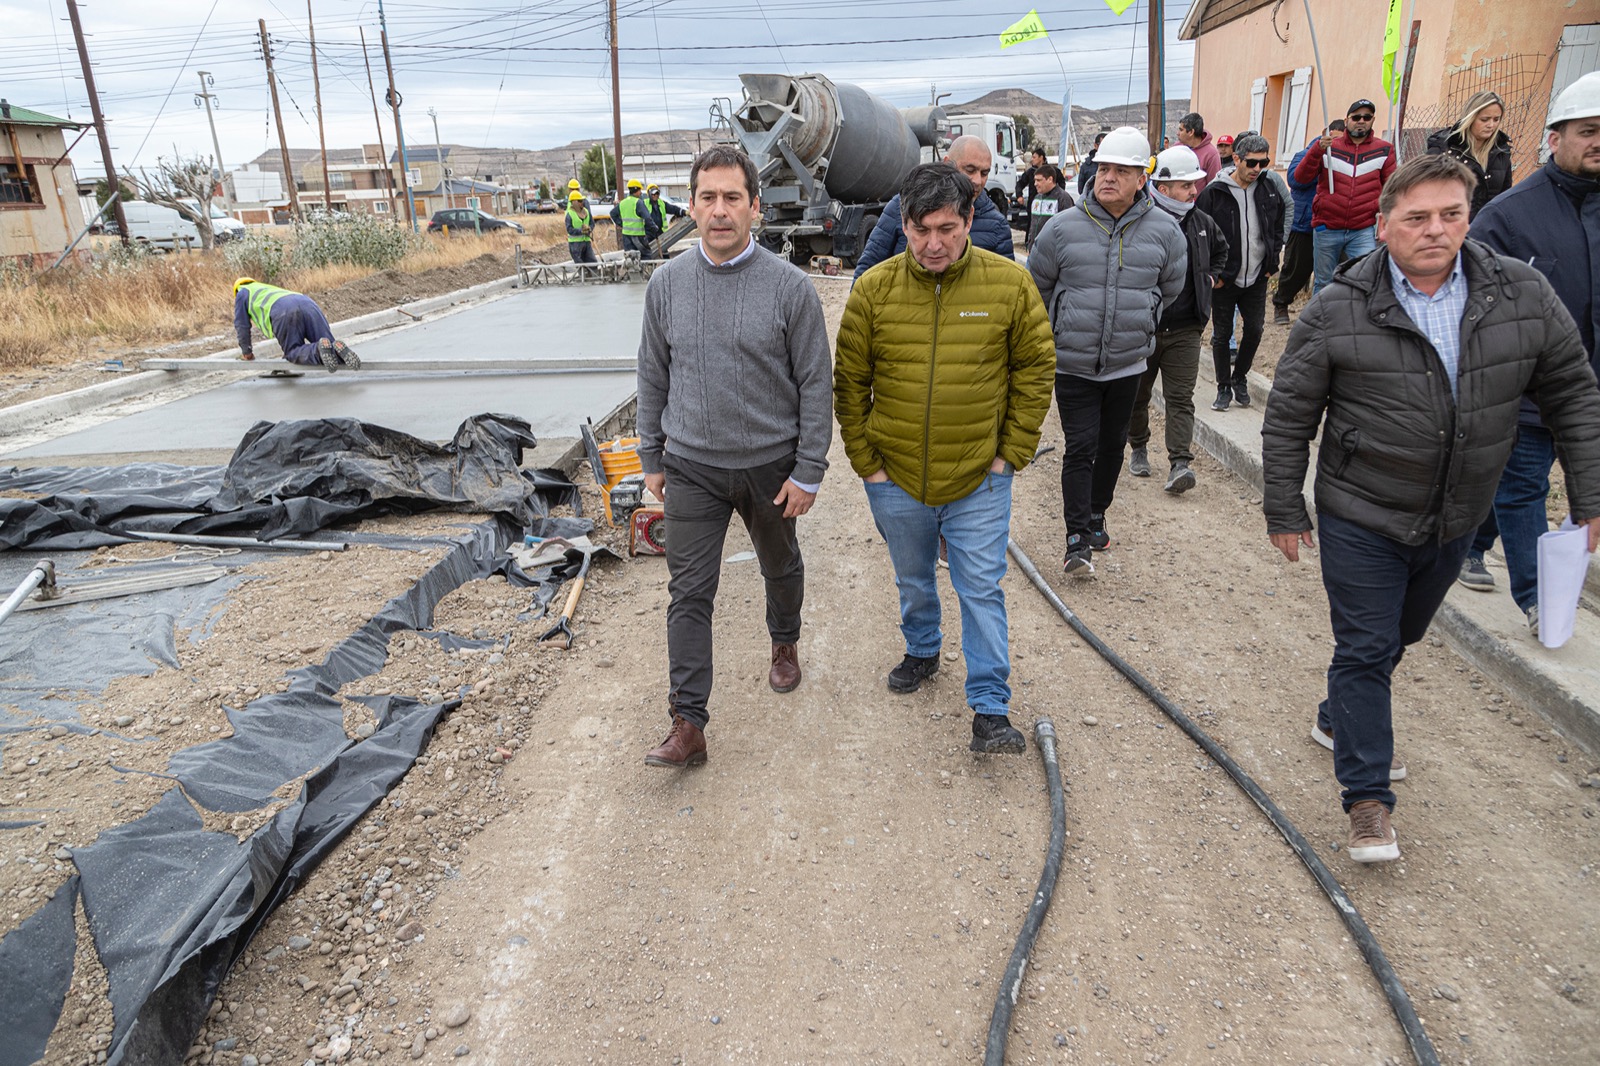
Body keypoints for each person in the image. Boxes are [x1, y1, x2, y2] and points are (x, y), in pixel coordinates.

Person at [1261, 153, 1600, 863]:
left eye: (1450, 214)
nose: (1435, 230)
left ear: (1469, 218)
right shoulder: (1338, 308)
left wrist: (1590, 496)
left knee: (1397, 638)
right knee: (1364, 645)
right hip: (1362, 512)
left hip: (1457, 513)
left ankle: (1338, 718)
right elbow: (1291, 413)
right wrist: (1284, 506)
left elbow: (1572, 392)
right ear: (1383, 227)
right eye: (1417, 218)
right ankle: (1367, 799)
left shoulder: (1522, 294)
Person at [835, 164, 1055, 754]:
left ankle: (990, 709)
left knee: (981, 587)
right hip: (896, 477)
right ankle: (922, 648)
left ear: (969, 221)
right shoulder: (873, 291)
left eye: (949, 229)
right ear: (902, 224)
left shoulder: (1009, 285)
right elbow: (849, 384)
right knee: (912, 576)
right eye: (921, 229)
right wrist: (869, 466)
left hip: (980, 478)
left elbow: (1035, 370)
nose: (935, 244)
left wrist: (1010, 455)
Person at [636, 146, 834, 769]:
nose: (719, 211)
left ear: (754, 206)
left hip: (770, 466)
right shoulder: (666, 285)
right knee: (689, 592)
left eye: (732, 198)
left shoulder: (790, 288)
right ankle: (688, 722)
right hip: (692, 464)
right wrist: (651, 457)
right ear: (691, 206)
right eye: (707, 198)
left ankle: (783, 642)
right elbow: (652, 376)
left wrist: (809, 468)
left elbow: (814, 384)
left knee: (779, 563)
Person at [1461, 72, 1600, 626]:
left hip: (1592, 388)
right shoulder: (1509, 216)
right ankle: (1539, 599)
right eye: (1588, 131)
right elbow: (1472, 303)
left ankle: (1470, 543)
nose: (1598, 143)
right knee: (1525, 483)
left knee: (1514, 485)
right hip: (1527, 388)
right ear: (1554, 137)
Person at [1028, 126, 1188, 574]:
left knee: (1113, 445)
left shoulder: (1166, 233)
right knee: (1080, 446)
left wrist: (1143, 319)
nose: (1109, 178)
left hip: (1127, 363)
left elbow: (1169, 288)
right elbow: (1036, 286)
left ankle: (1097, 514)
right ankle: (1076, 538)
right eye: (1104, 169)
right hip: (1073, 363)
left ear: (1142, 179)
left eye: (1122, 170)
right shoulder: (1062, 229)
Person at [1128, 146, 1228, 493]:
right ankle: (1138, 447)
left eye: (1195, 185)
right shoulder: (1139, 220)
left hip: (1186, 328)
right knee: (1137, 397)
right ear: (1165, 187)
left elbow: (1221, 250)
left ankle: (1180, 463)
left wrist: (1211, 277)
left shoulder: (1202, 222)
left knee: (1181, 398)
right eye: (1187, 186)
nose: (1194, 192)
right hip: (1145, 328)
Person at [1197, 133, 1285, 411]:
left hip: (1257, 276)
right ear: (1236, 159)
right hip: (1225, 279)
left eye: (1263, 163)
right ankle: (1223, 387)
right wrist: (1214, 273)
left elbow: (1278, 223)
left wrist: (1272, 264)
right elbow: (1201, 234)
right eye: (1251, 163)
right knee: (1222, 335)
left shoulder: (1268, 188)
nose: (1257, 169)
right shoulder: (1214, 192)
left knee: (1256, 330)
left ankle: (1240, 378)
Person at [852, 135, 1014, 279]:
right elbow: (867, 271)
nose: (977, 180)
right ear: (947, 163)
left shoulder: (996, 225)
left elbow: (1006, 287)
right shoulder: (903, 205)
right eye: (970, 170)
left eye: (984, 173)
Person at [1294, 99, 1396, 294]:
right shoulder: (1328, 146)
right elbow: (1300, 178)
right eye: (1356, 117)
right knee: (1323, 282)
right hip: (1327, 227)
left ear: (1373, 120)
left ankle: (1357, 322)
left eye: (1366, 117)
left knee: (1366, 278)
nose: (1361, 121)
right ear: (1346, 120)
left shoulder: (1384, 150)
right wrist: (1317, 150)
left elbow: (1392, 187)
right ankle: (1320, 324)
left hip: (1362, 229)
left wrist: (1387, 216)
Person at [1273, 123, 1339, 325]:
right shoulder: (1304, 154)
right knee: (1295, 269)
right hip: (1304, 223)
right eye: (1333, 138)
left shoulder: (1345, 159)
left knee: (1328, 272)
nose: (1335, 144)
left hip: (1330, 224)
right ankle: (1281, 303)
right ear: (1324, 136)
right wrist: (1317, 158)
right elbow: (1295, 180)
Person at [231, 278, 358, 372]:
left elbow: (242, 326)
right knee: (329, 347)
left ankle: (318, 350)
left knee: (293, 351)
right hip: (308, 303)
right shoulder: (265, 287)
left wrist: (247, 353)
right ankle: (339, 351)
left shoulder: (241, 293)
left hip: (283, 310)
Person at [1425, 91, 1514, 221]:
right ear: (1471, 118)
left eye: (1496, 119)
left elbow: (1504, 196)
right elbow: (1426, 192)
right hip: (1448, 227)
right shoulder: (1445, 147)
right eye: (1484, 119)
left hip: (1486, 230)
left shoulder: (1501, 151)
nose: (1491, 125)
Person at [1025, 164, 1073, 251]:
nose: (1035, 184)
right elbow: (1033, 225)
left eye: (1039, 180)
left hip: (1052, 253)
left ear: (1050, 179)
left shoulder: (1063, 198)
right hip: (1034, 251)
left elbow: (1068, 229)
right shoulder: (1037, 198)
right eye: (1035, 180)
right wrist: (1030, 245)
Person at [1176, 112, 1222, 191]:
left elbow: (1214, 185)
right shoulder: (1176, 148)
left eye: (1181, 130)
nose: (1177, 133)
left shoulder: (1211, 154)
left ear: (1191, 132)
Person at [641, 183, 686, 256]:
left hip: (659, 232)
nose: (655, 195)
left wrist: (684, 212)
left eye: (657, 193)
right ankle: (650, 266)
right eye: (653, 193)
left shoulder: (662, 204)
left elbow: (673, 209)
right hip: (648, 233)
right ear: (649, 193)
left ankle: (665, 265)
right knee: (649, 254)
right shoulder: (644, 204)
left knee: (664, 252)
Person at [611, 178, 649, 256]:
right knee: (645, 256)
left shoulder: (623, 203)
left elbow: (613, 214)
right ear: (637, 190)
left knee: (630, 258)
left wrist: (622, 224)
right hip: (638, 236)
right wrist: (654, 228)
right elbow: (647, 218)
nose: (640, 193)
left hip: (626, 236)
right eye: (640, 190)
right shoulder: (638, 202)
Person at [564, 191, 598, 267]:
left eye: (582, 200)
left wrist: (590, 229)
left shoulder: (586, 212)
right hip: (575, 244)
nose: (582, 202)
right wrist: (581, 231)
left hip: (586, 242)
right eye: (579, 201)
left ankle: (594, 278)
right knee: (581, 267)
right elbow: (569, 229)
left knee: (593, 263)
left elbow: (592, 223)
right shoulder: (570, 214)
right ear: (574, 202)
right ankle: (584, 278)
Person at [1017, 146, 1048, 215]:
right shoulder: (1030, 172)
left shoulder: (1051, 171)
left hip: (1048, 205)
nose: (1032, 159)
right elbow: (1020, 183)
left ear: (1041, 157)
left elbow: (1061, 183)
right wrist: (1019, 195)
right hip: (1033, 205)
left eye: (1034, 157)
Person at [1076, 132, 1107, 196]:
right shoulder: (1086, 166)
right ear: (1095, 145)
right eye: (1102, 145)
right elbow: (1081, 190)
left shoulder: (1115, 164)